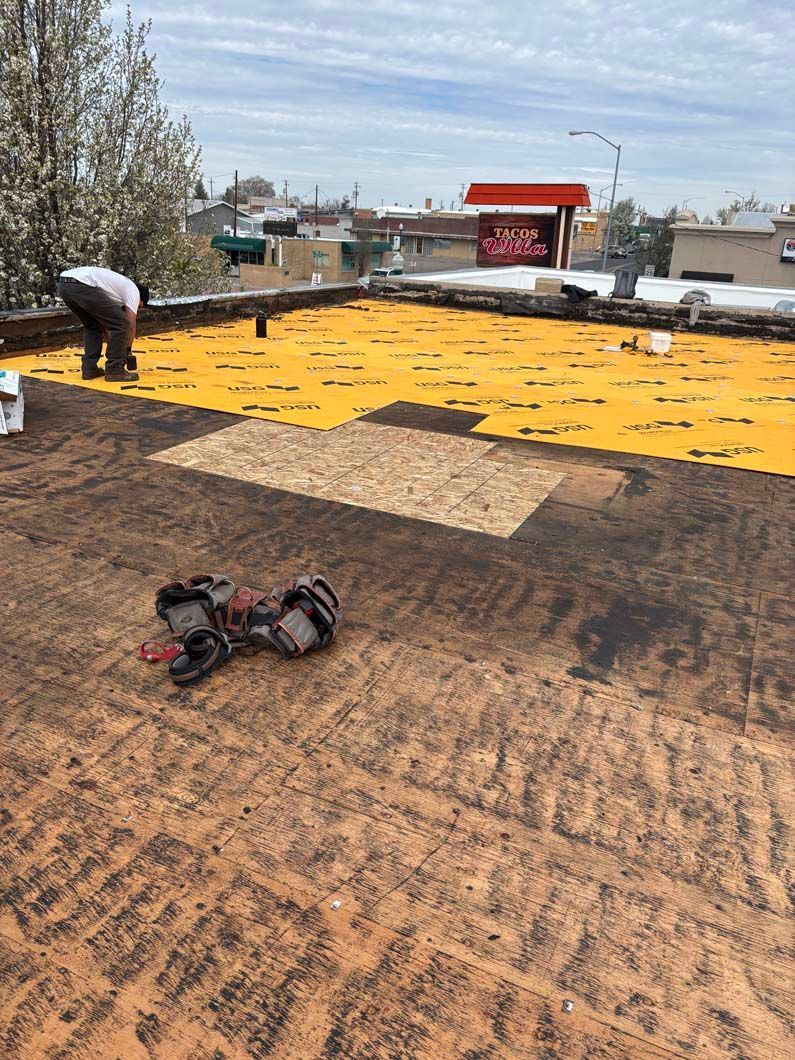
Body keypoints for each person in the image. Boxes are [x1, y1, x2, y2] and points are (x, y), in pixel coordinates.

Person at [56, 266, 149, 382]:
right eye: (139, 306)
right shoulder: (133, 290)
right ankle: (114, 370)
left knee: (92, 325)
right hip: (83, 284)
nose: (136, 308)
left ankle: (89, 369)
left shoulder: (114, 291)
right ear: (141, 299)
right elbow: (130, 325)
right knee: (122, 323)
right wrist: (128, 350)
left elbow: (105, 325)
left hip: (65, 285)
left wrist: (117, 347)